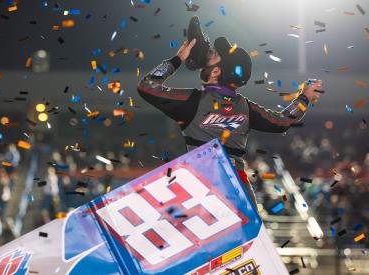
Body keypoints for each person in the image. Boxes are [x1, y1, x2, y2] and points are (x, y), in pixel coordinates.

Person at [137, 21, 323, 206]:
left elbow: (146, 87)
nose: (209, 54)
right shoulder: (246, 107)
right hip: (238, 191)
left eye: (214, 54)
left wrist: (178, 59)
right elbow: (283, 121)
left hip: (200, 191)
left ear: (216, 71)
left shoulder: (193, 100)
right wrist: (304, 98)